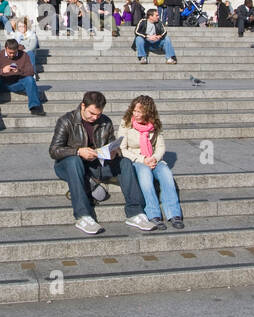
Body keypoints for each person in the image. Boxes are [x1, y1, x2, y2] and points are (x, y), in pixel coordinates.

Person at [49, 90, 153, 235]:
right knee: (74, 161)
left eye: (98, 114)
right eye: (91, 113)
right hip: (68, 165)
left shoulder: (105, 121)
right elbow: (54, 150)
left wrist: (113, 152)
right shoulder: (66, 121)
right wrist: (78, 151)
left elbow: (112, 144)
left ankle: (135, 213)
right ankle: (83, 216)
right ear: (83, 106)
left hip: (97, 164)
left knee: (125, 163)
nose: (95, 117)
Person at [116, 95, 183, 230]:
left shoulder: (155, 124)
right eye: (135, 111)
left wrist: (155, 159)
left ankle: (174, 214)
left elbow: (160, 147)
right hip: (135, 159)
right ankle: (153, 215)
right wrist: (143, 160)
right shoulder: (126, 122)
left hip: (152, 158)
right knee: (145, 175)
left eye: (140, 112)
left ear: (148, 112)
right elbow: (121, 149)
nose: (136, 114)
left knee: (166, 174)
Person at [0, 38, 44, 115]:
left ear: (17, 49)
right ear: (6, 48)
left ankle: (35, 107)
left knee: (30, 80)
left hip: (18, 83)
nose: (12, 55)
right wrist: (2, 70)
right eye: (10, 53)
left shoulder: (24, 55)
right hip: (2, 83)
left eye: (14, 52)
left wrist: (19, 71)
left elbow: (31, 72)